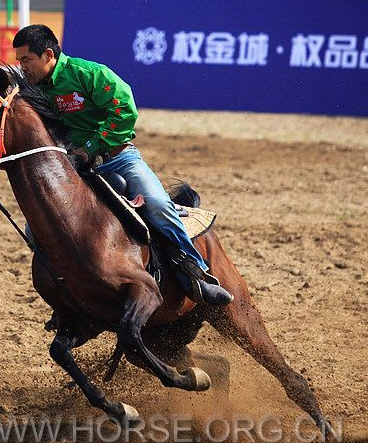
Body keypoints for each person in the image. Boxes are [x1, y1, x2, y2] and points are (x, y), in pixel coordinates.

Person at [12, 24, 233, 306]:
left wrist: (89, 149)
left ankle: (196, 274)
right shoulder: (30, 90)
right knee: (37, 228)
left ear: (47, 55)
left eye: (26, 60)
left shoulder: (88, 74)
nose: (22, 67)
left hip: (118, 158)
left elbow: (124, 109)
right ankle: (70, 295)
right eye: (19, 61)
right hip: (72, 170)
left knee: (158, 204)